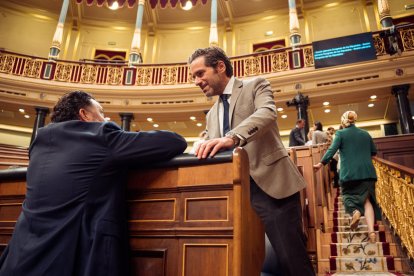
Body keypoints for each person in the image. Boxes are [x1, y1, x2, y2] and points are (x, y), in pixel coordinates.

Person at [0, 91, 187, 275]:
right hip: (74, 257)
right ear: (84, 114)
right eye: (101, 112)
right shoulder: (100, 135)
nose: (105, 117)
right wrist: (112, 129)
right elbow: (174, 141)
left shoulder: (39, 143)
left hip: (22, 255)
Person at [188, 47, 315, 276]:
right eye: (193, 77)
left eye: (199, 73)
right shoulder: (210, 114)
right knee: (246, 261)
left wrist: (232, 137)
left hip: (272, 187)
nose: (196, 81)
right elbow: (211, 141)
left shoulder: (255, 84)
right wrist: (199, 145)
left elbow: (267, 113)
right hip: (235, 195)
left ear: (220, 66)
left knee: (291, 259)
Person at [313, 111, 380, 243]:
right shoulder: (365, 134)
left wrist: (321, 163)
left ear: (343, 121)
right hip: (367, 173)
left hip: (350, 174)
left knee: (347, 196)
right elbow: (373, 154)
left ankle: (355, 211)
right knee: (367, 201)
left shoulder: (340, 134)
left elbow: (332, 150)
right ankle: (371, 231)